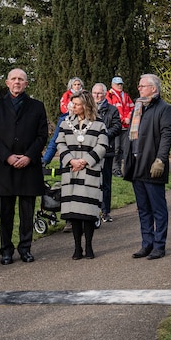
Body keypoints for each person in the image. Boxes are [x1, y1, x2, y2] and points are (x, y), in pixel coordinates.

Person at [0, 68, 50, 265]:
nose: (17, 82)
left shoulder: (37, 106)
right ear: (7, 83)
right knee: (5, 213)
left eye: (21, 80)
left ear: (26, 84)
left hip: (28, 166)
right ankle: (6, 250)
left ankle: (25, 248)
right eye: (13, 79)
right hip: (5, 166)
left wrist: (29, 157)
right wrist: (8, 157)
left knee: (27, 211)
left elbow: (42, 136)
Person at [124, 74, 171, 259]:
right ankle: (147, 243)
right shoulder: (138, 108)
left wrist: (161, 159)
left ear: (154, 88)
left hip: (153, 164)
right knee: (143, 209)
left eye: (143, 86)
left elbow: (166, 136)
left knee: (158, 209)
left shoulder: (165, 109)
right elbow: (130, 136)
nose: (139, 88)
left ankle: (159, 246)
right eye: (139, 86)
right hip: (137, 164)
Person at [57, 91, 108, 259]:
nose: (74, 107)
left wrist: (85, 161)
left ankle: (89, 246)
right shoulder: (66, 123)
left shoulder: (99, 124)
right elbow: (61, 143)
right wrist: (71, 161)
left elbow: (102, 146)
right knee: (75, 213)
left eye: (77, 104)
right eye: (73, 104)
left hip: (89, 172)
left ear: (86, 105)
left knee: (87, 212)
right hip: (71, 172)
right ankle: (77, 247)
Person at [91, 83, 124, 222]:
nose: (97, 96)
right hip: (91, 150)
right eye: (94, 93)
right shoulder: (88, 108)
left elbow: (117, 126)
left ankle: (105, 211)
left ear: (105, 94)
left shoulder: (112, 109)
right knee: (92, 182)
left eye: (99, 93)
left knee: (106, 182)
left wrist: (103, 135)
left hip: (107, 150)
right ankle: (92, 210)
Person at [43, 78, 84, 165]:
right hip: (67, 159)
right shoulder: (64, 120)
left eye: (78, 84)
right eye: (75, 84)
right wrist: (45, 160)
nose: (77, 86)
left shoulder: (91, 119)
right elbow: (55, 141)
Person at [107, 76, 134, 176]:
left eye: (121, 84)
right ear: (112, 85)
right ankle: (115, 169)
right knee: (116, 148)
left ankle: (121, 169)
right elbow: (111, 112)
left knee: (123, 148)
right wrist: (123, 119)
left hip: (126, 127)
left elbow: (132, 108)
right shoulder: (109, 96)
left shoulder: (126, 96)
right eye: (118, 84)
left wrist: (129, 118)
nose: (119, 86)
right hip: (116, 126)